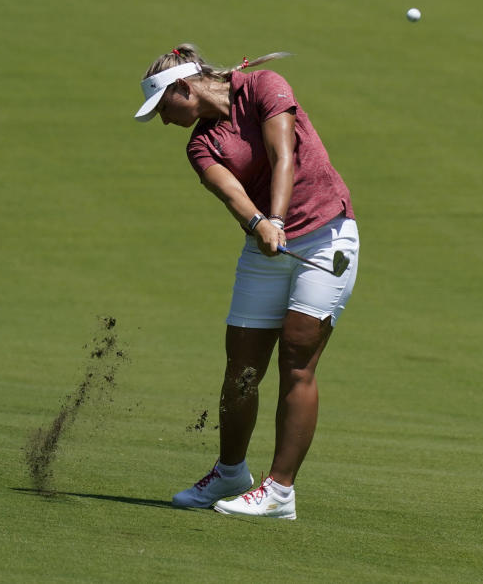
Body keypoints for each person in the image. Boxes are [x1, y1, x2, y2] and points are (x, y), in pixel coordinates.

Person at [134, 44, 359, 520]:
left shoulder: (262, 87)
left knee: (297, 356)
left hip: (326, 237)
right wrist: (260, 224)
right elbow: (230, 192)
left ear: (184, 88)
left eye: (163, 108)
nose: (162, 120)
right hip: (267, 247)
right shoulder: (200, 144)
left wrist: (274, 218)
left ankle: (279, 491)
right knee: (242, 366)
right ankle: (231, 471)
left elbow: (284, 157)